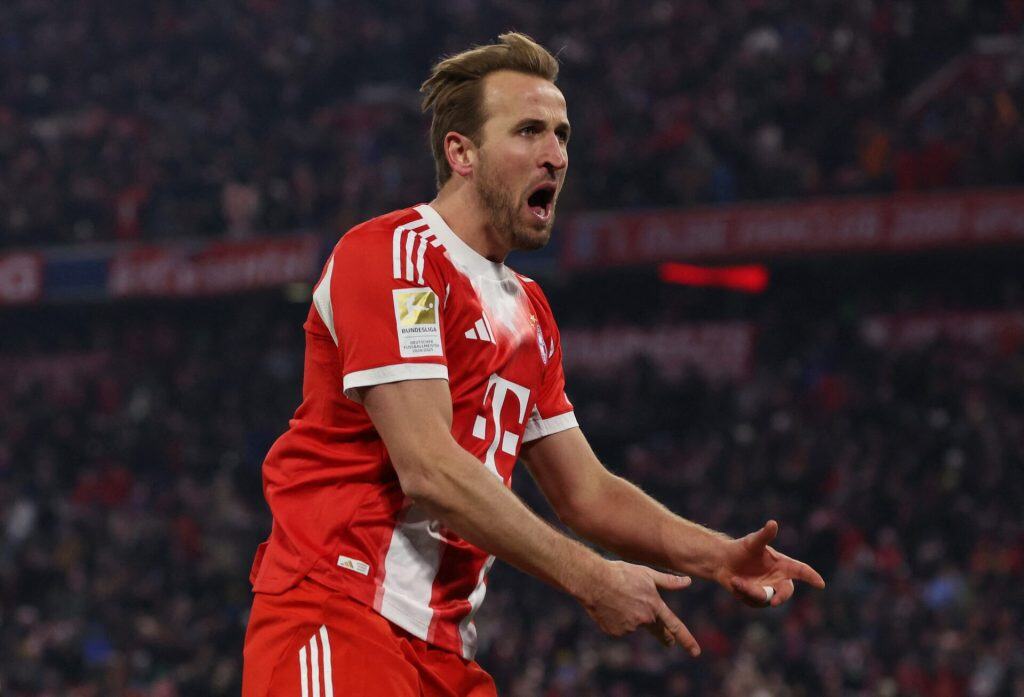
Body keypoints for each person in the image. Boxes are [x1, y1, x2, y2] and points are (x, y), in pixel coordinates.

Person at [241, 32, 825, 697]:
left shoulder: (530, 311)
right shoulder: (395, 258)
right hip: (335, 613)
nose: (556, 154)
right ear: (461, 153)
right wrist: (590, 576)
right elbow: (428, 468)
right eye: (528, 131)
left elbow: (586, 493)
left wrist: (716, 555)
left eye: (562, 134)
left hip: (442, 649)